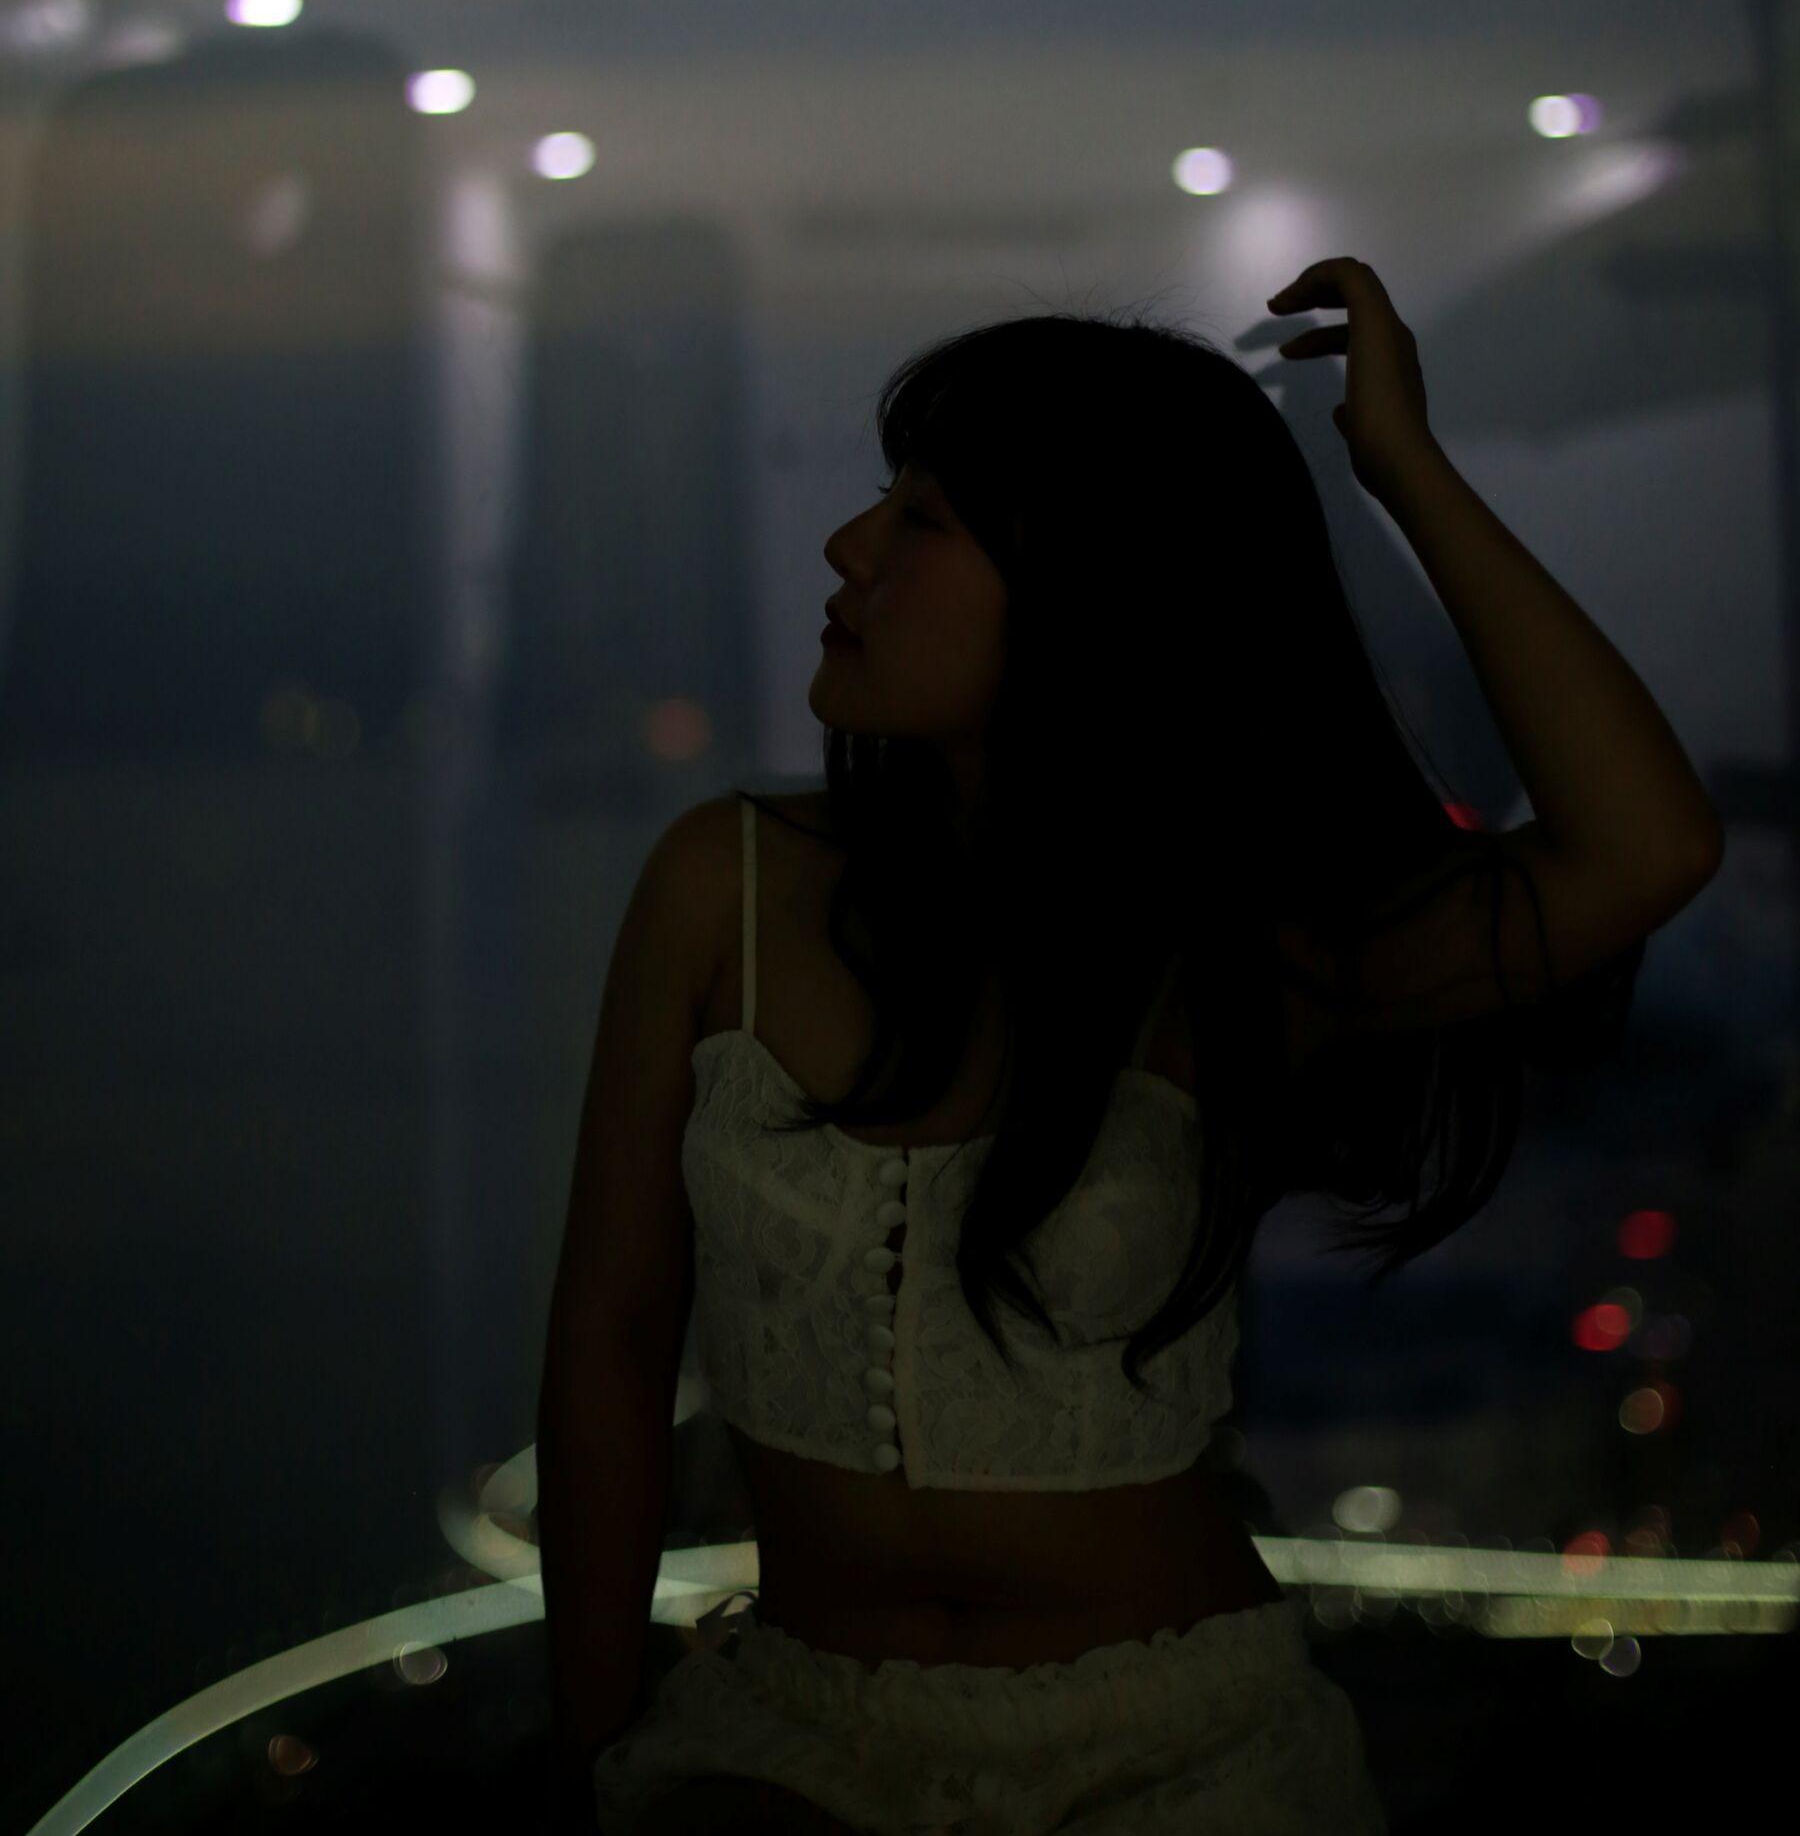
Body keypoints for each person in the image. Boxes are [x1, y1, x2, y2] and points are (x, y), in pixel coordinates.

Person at [541, 287, 1719, 1833]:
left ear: (1089, 591)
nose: (848, 547)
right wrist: (594, 1748)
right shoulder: (726, 886)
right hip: (791, 1749)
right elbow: (612, 1336)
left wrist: (1405, 468)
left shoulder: (1236, 946)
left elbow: (1645, 847)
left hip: (1181, 1760)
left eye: (923, 519)